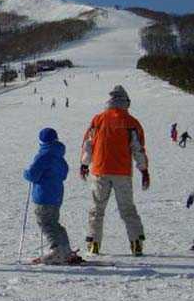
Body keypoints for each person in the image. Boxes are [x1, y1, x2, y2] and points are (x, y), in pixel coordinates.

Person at [80, 85, 149, 257]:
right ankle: (136, 242)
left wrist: (84, 164)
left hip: (100, 170)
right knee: (127, 208)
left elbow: (88, 144)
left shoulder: (98, 119)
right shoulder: (131, 122)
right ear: (126, 102)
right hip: (122, 172)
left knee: (97, 208)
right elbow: (138, 148)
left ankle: (94, 242)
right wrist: (144, 170)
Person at [23, 128, 72, 264]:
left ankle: (57, 250)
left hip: (43, 195)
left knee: (46, 223)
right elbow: (64, 173)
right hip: (56, 195)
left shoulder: (43, 155)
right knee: (54, 223)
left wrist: (26, 173)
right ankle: (65, 249)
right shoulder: (59, 156)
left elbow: (33, 174)